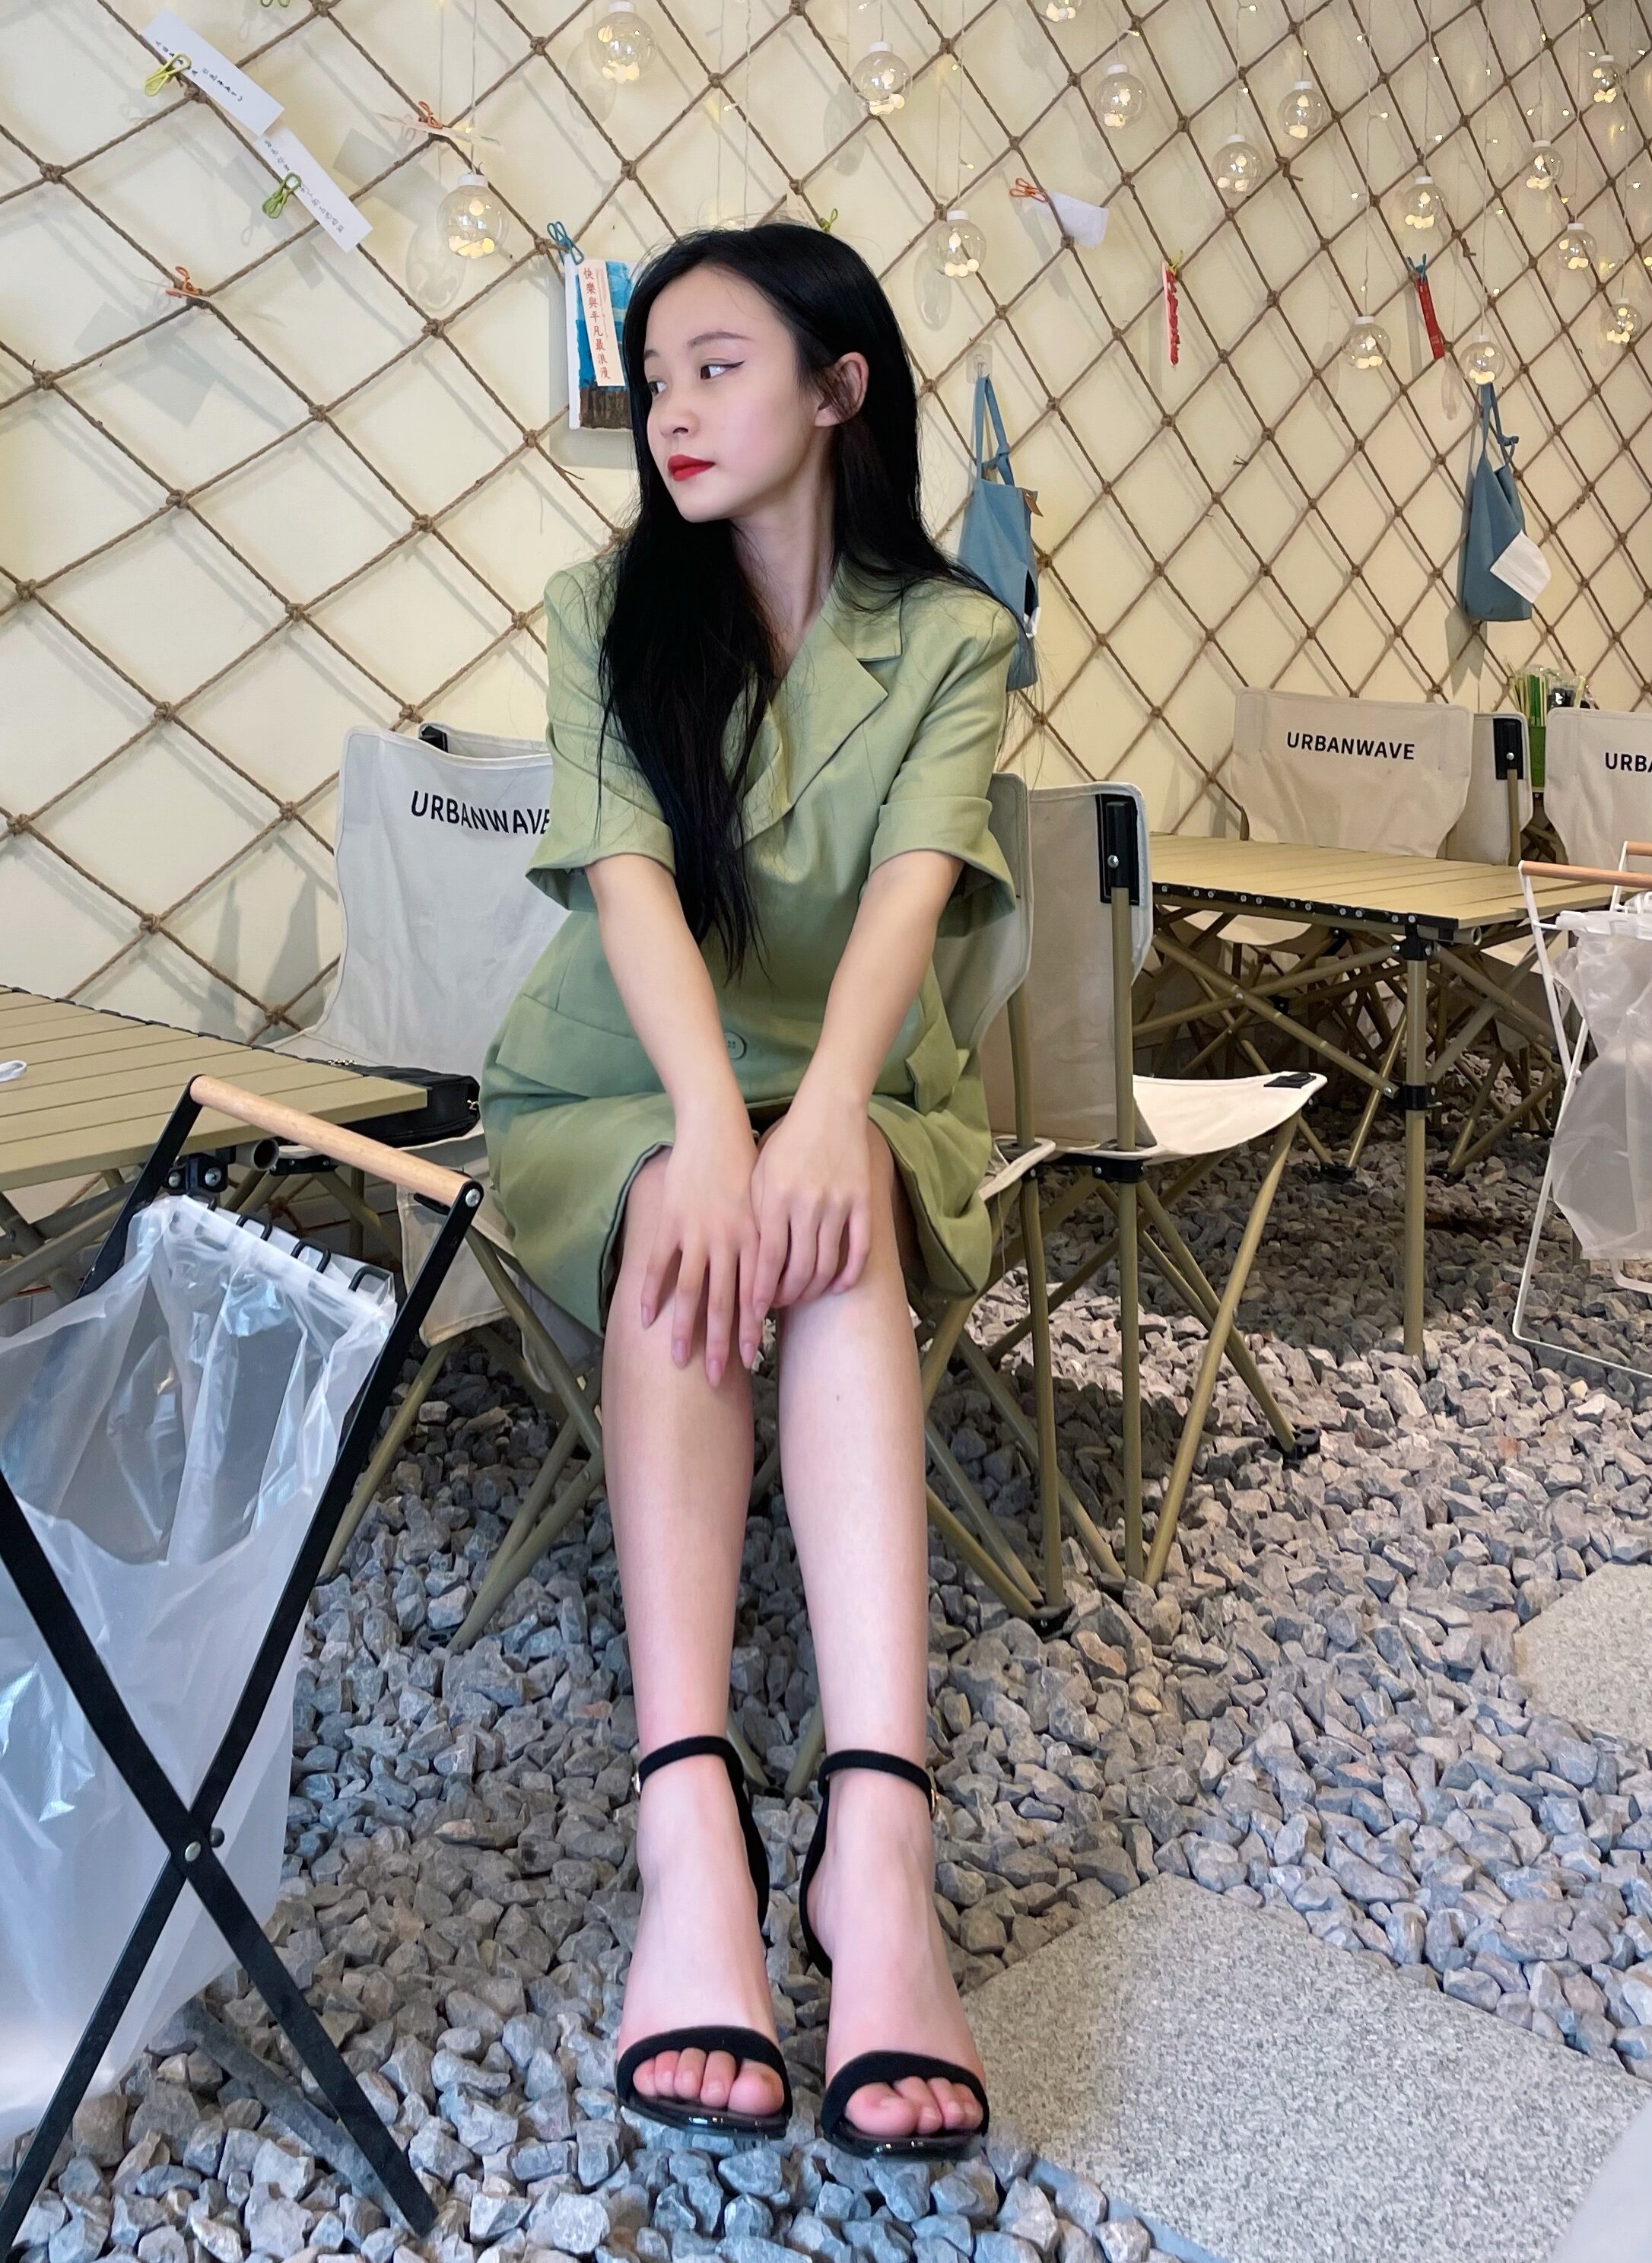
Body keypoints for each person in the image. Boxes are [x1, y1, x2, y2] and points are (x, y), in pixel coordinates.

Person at [479, 220, 1021, 2161]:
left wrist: (816, 1118)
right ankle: (692, 1822)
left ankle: (878, 1837)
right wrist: (712, 1128)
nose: (674, 412)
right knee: (680, 1220)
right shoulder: (603, 608)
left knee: (838, 1202)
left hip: (862, 1072)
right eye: (658, 379)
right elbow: (629, 887)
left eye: (720, 367)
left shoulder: (955, 641)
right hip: (625, 1071)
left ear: (838, 387)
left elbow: (909, 907)